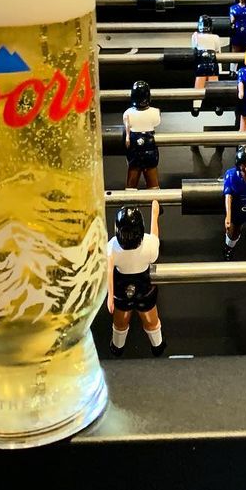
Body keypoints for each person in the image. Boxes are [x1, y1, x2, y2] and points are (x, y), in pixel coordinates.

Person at [106, 201, 166, 358]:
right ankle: (157, 346)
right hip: (144, 288)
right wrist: (154, 214)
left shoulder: (112, 246)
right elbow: (155, 237)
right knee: (151, 320)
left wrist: (110, 296)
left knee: (120, 322)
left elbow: (108, 270)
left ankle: (117, 347)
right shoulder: (148, 245)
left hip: (121, 288)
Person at [123, 79, 160, 191]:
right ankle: (156, 206)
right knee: (152, 182)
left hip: (134, 148)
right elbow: (157, 122)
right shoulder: (155, 112)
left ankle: (130, 205)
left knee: (132, 179)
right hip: (149, 146)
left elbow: (127, 128)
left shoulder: (128, 113)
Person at [190, 13, 222, 116]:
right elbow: (218, 51)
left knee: (202, 83)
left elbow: (194, 49)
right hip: (210, 61)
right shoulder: (214, 37)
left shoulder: (196, 36)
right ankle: (215, 105)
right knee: (211, 83)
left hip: (204, 61)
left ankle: (196, 106)